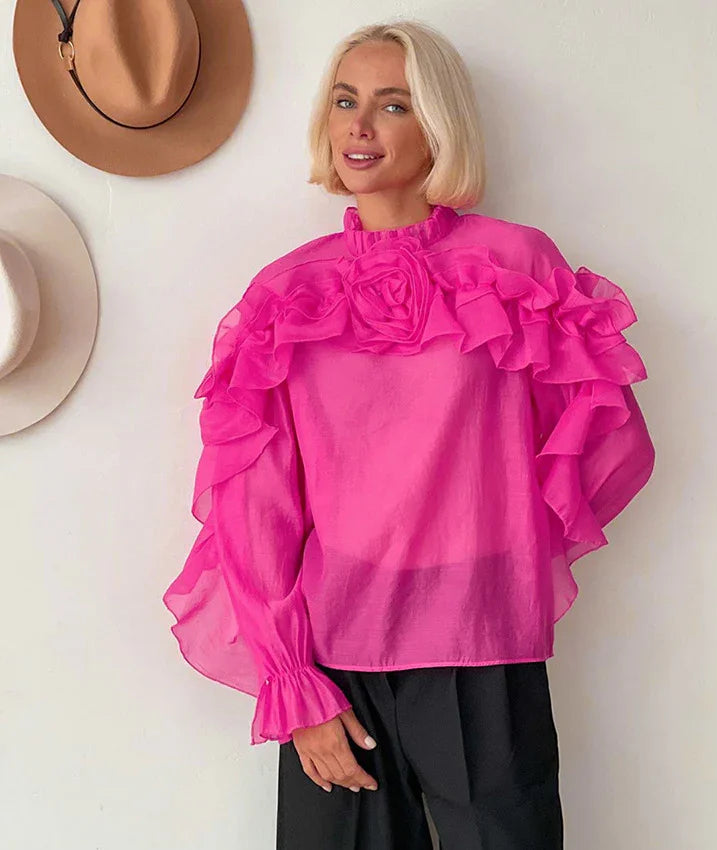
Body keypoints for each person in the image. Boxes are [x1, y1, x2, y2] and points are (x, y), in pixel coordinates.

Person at [162, 18, 656, 850]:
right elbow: (256, 507)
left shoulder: (515, 267)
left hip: (482, 646)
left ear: (438, 124)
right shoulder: (286, 295)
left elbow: (604, 436)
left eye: (392, 104)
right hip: (334, 660)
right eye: (345, 100)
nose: (359, 125)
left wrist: (505, 547)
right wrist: (292, 680)